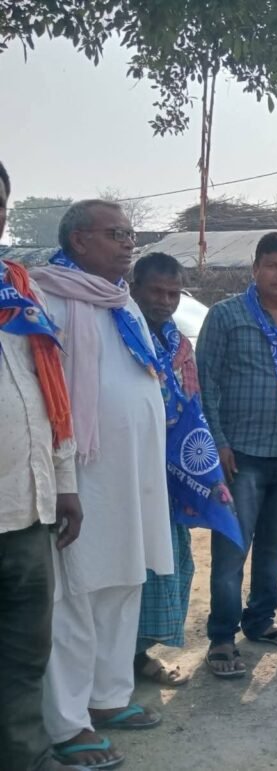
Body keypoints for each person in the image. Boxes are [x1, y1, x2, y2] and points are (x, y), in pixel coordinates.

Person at [33, 199, 173, 769]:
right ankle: (68, 724)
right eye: (116, 233)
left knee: (124, 581)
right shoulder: (47, 296)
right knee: (76, 595)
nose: (129, 243)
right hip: (81, 476)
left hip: (134, 474)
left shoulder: (123, 302)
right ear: (79, 240)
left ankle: (110, 696)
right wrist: (62, 475)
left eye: (131, 234)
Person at [197, 231, 277, 677]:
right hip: (242, 456)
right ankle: (221, 637)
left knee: (274, 548)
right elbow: (206, 383)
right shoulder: (226, 316)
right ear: (255, 269)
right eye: (273, 265)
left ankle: (261, 620)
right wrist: (218, 442)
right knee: (232, 550)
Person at [0, 162, 85, 771]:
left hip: (27, 510)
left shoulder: (18, 290)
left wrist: (66, 484)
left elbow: (46, 392)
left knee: (26, 650)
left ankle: (25, 755)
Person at [127, 252, 202, 689]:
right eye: (156, 291)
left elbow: (194, 406)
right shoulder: (120, 334)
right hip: (127, 472)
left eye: (173, 293)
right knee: (129, 567)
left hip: (172, 474)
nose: (165, 301)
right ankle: (116, 660)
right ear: (134, 288)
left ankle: (138, 654)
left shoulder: (180, 345)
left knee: (172, 563)